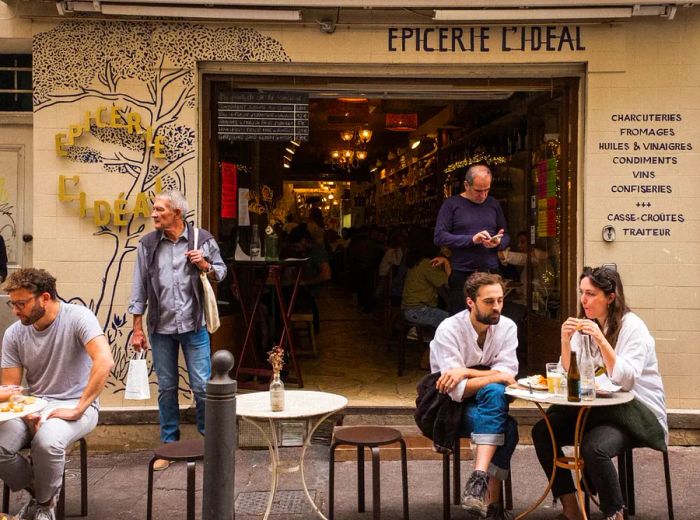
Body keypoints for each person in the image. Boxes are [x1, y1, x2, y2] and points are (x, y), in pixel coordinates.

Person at [531, 267, 667, 520]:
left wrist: (601, 341)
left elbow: (626, 380)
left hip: (636, 412)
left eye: (591, 294)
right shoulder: (586, 325)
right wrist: (564, 339)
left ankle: (615, 512)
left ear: (611, 297)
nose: (584, 300)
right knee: (543, 431)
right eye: (582, 293)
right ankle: (570, 504)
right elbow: (567, 374)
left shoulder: (632, 327)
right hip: (597, 410)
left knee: (594, 448)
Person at [0, 268, 114, 520]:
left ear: (45, 298)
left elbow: (104, 361)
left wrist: (79, 408)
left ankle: (44, 507)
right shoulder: (15, 333)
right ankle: (42, 492)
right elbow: (12, 388)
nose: (16, 311)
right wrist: (25, 411)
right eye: (13, 304)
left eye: (21, 303)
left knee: (47, 442)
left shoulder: (78, 317)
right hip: (34, 405)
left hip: (77, 403)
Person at [129, 189, 226, 470]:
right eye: (154, 209)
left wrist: (205, 264)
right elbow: (139, 289)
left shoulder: (202, 239)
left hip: (193, 325)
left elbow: (222, 271)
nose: (154, 214)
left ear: (177, 213)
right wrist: (137, 328)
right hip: (161, 328)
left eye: (160, 210)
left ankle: (210, 443)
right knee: (167, 388)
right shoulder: (147, 245)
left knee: (202, 387)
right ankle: (169, 446)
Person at [429, 272, 519, 520]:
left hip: (488, 405)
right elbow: (456, 390)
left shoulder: (508, 327)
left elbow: (509, 373)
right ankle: (493, 505)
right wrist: (495, 375)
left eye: (500, 300)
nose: (497, 307)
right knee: (507, 425)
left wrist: (466, 371)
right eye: (489, 301)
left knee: (495, 393)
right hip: (450, 409)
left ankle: (478, 485)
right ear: (470, 302)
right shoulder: (449, 329)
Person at [434, 163, 510, 315]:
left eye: (487, 190)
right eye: (478, 190)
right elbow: (439, 237)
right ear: (466, 185)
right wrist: (471, 240)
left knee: (491, 318)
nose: (483, 195)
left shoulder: (493, 204)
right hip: (462, 273)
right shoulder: (451, 205)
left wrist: (498, 242)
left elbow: (506, 235)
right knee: (460, 321)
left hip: (489, 272)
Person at [401, 227, 450, 330]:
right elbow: (448, 282)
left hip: (410, 309)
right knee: (452, 321)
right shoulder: (428, 264)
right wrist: (446, 261)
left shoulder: (417, 262)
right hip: (419, 310)